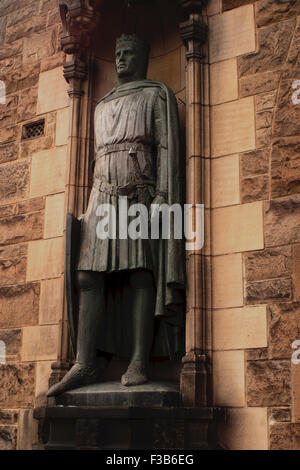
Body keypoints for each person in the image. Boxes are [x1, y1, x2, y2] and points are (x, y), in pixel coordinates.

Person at [47, 34, 184, 397]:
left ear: (144, 57)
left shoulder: (157, 94)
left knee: (140, 274)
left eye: (130, 53)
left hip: (139, 195)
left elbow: (167, 148)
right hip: (101, 197)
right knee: (87, 275)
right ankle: (85, 362)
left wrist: (164, 196)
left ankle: (140, 359)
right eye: (118, 53)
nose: (122, 58)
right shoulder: (101, 104)